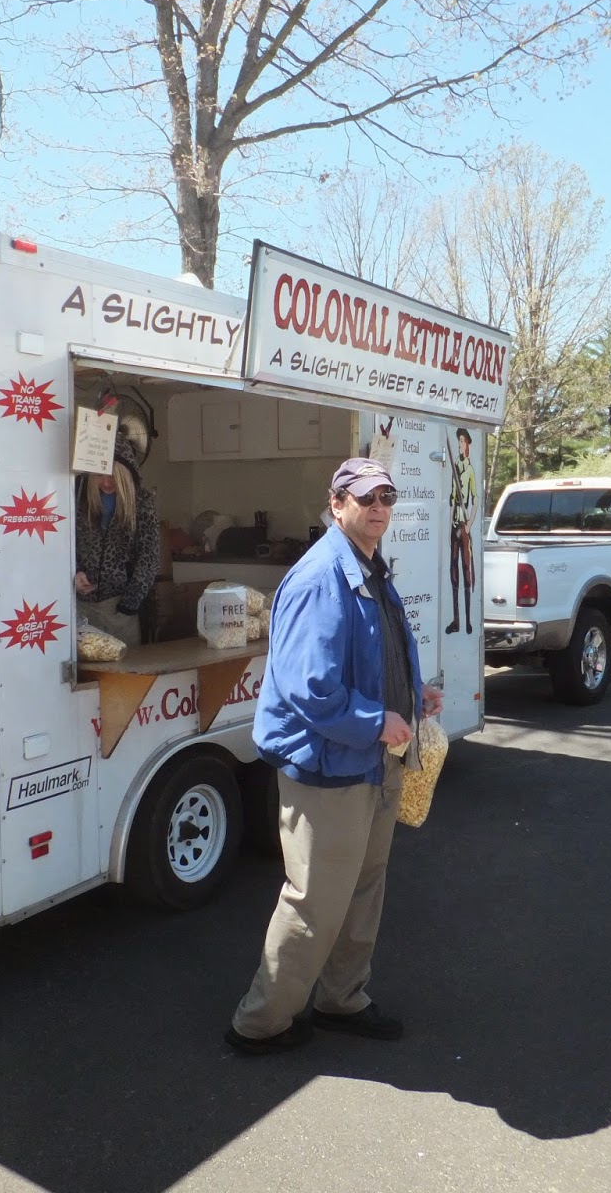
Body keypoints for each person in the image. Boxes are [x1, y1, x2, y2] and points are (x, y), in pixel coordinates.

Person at [226, 457, 444, 1056]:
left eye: (387, 497)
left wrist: (411, 695)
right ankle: (261, 1022)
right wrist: (379, 720)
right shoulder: (321, 576)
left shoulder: (369, 568)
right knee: (314, 901)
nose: (378, 507)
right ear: (337, 501)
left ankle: (341, 999)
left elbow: (373, 657)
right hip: (329, 770)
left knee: (362, 890)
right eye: (366, 497)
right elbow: (310, 688)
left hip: (373, 765)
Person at [74, 435, 160, 648]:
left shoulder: (141, 503)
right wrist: (74, 573)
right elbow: (64, 546)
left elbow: (148, 558)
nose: (105, 482)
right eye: (99, 475)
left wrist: (129, 605)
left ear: (125, 474)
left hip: (120, 608)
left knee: (126, 672)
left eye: (113, 475)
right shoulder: (78, 499)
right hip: (83, 607)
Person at [445, 427, 477, 635]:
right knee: (453, 572)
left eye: (462, 441)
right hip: (455, 523)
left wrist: (469, 524)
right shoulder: (455, 466)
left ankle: (467, 621)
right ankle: (456, 621)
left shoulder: (470, 470)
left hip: (464, 525)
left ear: (467, 444)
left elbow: (475, 501)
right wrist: (451, 524)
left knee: (466, 570)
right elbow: (451, 499)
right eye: (458, 441)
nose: (459, 444)